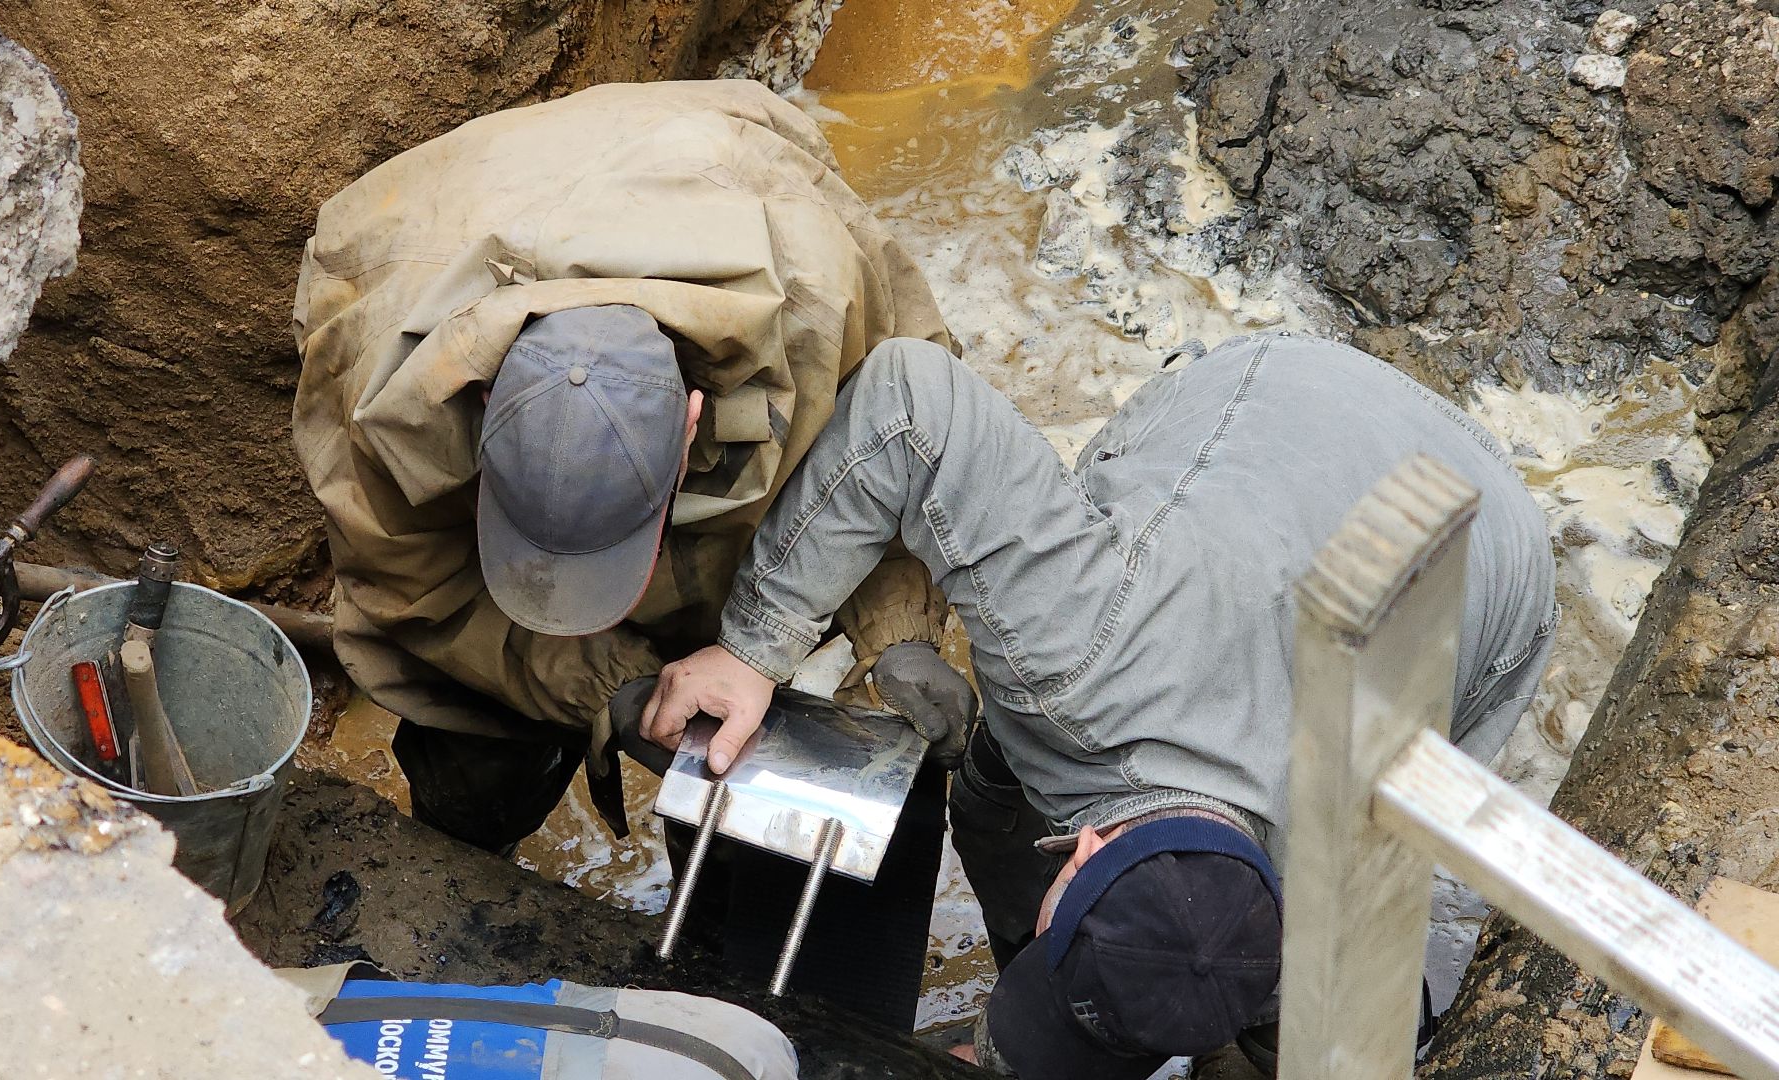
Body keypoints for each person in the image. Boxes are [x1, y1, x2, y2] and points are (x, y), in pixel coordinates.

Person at [635, 332, 1558, 1076]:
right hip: (1280, 399)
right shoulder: (1075, 646)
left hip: (1489, 553)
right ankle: (1063, 998)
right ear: (1082, 848)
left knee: (1331, 1034)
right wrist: (754, 647)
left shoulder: (1331, 901)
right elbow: (913, 405)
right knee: (995, 786)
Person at [291, 80, 976, 1026]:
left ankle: (718, 934)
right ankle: (463, 846)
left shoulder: (822, 290)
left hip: (713, 177)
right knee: (470, 745)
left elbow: (908, 440)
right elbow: (418, 595)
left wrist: (895, 638)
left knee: (738, 746)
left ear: (696, 422)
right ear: (483, 409)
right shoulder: (381, 377)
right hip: (454, 222)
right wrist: (615, 691)